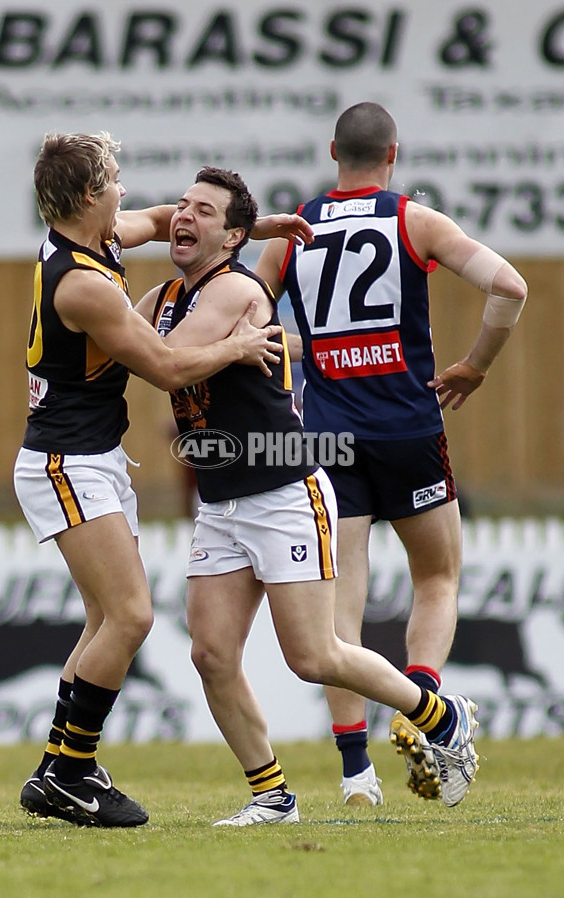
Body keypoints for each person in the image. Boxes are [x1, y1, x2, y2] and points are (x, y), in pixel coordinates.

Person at [135, 164, 480, 826]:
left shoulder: (235, 290)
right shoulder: (167, 295)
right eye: (180, 206)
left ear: (234, 236)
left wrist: (232, 342)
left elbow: (165, 361)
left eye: (203, 211)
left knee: (313, 657)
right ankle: (273, 797)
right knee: (210, 654)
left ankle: (440, 715)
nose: (182, 216)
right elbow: (122, 341)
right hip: (223, 500)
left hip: (283, 490)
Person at [15, 131, 313, 828]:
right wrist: (241, 343)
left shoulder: (94, 235)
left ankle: (58, 766)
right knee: (131, 616)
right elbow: (167, 368)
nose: (125, 188)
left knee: (105, 619)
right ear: (90, 195)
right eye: (114, 177)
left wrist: (249, 229)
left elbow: (150, 221)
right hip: (66, 461)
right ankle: (73, 774)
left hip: (86, 457)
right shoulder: (84, 283)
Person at [255, 101, 528, 806]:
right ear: (393, 155)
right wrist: (476, 364)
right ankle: (433, 714)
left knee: (338, 612)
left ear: (332, 150)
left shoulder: (293, 230)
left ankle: (356, 776)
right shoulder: (414, 220)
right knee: (436, 576)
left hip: (326, 436)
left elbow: (248, 314)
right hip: (408, 426)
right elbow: (509, 286)